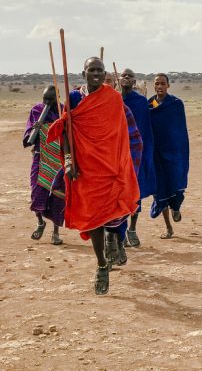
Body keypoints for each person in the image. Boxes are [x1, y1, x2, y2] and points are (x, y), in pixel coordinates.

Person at [46, 57, 140, 295]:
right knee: (93, 217)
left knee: (114, 211)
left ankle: (115, 240)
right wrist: (68, 161)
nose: (96, 73)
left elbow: (121, 134)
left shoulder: (113, 98)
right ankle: (101, 265)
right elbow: (66, 131)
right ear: (84, 72)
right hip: (85, 168)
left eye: (99, 70)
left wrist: (121, 163)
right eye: (91, 70)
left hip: (110, 165)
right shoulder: (74, 98)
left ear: (104, 72)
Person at [148, 73, 189, 239]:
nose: (160, 86)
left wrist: (179, 152)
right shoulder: (149, 105)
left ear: (168, 86)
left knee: (175, 185)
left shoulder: (176, 104)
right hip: (156, 155)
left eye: (163, 83)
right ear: (154, 86)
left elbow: (181, 131)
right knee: (159, 191)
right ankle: (168, 228)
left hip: (173, 154)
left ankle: (176, 207)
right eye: (157, 83)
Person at [23, 85, 65, 245]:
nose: (47, 102)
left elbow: (68, 133)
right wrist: (35, 130)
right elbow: (28, 139)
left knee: (58, 196)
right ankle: (40, 222)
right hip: (40, 158)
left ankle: (56, 233)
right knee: (36, 192)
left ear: (57, 98)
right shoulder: (37, 111)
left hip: (59, 160)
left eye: (50, 99)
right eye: (44, 99)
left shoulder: (62, 111)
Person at [120, 68, 156, 247]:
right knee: (119, 193)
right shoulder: (114, 99)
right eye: (124, 75)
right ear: (119, 80)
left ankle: (132, 229)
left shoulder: (141, 102)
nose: (126, 78)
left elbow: (146, 129)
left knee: (136, 191)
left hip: (136, 153)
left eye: (130, 76)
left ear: (134, 82)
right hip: (118, 154)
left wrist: (146, 153)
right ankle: (120, 230)